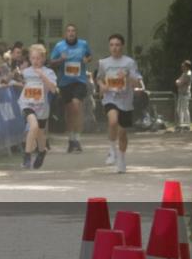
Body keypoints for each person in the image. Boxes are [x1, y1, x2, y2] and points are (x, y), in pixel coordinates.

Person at [97, 34, 144, 173]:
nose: (114, 48)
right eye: (111, 45)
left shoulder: (129, 62)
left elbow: (137, 82)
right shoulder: (104, 63)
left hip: (125, 101)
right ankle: (112, 150)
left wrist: (127, 76)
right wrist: (102, 86)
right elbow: (98, 78)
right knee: (112, 121)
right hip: (110, 98)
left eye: (117, 45)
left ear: (122, 46)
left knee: (122, 132)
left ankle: (121, 158)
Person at [49, 24, 93, 153]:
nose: (71, 33)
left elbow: (90, 56)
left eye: (73, 31)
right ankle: (71, 139)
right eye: (68, 31)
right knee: (69, 112)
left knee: (76, 106)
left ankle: (77, 139)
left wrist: (87, 59)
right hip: (65, 83)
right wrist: (61, 59)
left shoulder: (83, 44)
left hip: (79, 81)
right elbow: (51, 62)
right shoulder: (59, 46)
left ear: (76, 33)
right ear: (65, 33)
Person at [19, 44, 59, 170]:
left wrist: (42, 76)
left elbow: (53, 89)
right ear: (29, 59)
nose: (35, 61)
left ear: (43, 58)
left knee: (40, 133)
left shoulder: (49, 72)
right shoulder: (25, 72)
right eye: (33, 58)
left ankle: (42, 152)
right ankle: (27, 156)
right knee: (33, 126)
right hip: (26, 103)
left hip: (42, 106)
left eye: (38, 58)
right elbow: (20, 82)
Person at [175, 60, 192, 132]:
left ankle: (187, 126)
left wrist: (177, 81)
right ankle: (181, 125)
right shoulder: (184, 73)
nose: (182, 67)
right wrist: (178, 81)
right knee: (179, 109)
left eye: (183, 66)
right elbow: (178, 81)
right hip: (181, 94)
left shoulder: (187, 74)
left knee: (185, 110)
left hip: (185, 94)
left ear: (187, 67)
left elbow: (179, 83)